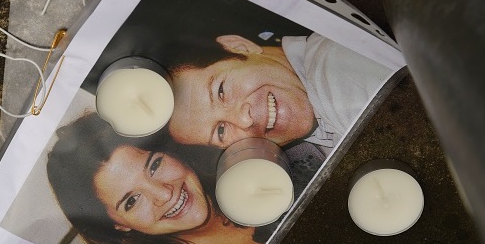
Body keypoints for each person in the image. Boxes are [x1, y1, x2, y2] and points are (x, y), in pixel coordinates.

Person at [46, 113, 269, 244]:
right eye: (132, 201)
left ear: (169, 151)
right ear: (119, 225)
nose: (164, 194)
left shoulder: (246, 157)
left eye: (154, 166)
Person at [164, 32, 392, 155]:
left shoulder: (339, 70)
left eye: (221, 90)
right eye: (220, 131)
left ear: (240, 47)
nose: (244, 120)